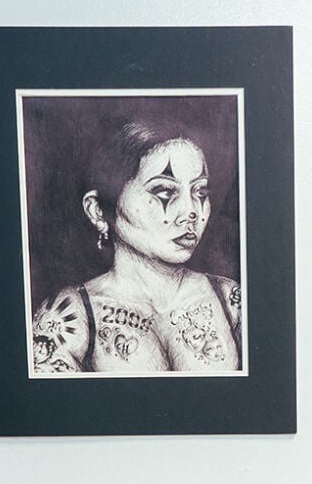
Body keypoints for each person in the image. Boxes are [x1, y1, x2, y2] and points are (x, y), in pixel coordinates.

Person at [30, 120, 241, 373]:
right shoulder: (69, 316)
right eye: (164, 192)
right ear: (97, 210)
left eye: (200, 193)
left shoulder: (230, 300)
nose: (191, 211)